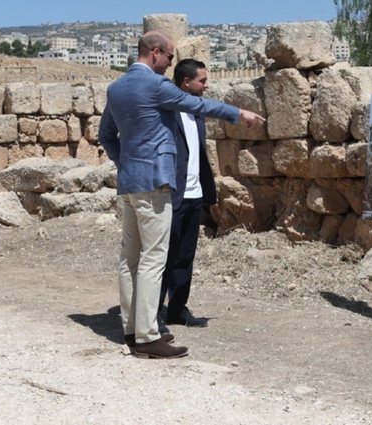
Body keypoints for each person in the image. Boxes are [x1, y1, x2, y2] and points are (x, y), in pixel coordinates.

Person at [98, 31, 264, 359]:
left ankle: (131, 329)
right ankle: (147, 337)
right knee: (153, 258)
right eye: (170, 57)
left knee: (130, 258)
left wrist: (126, 162)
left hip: (130, 182)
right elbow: (196, 103)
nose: (170, 64)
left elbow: (106, 134)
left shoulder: (116, 88)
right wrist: (238, 113)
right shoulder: (156, 85)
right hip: (156, 182)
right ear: (155, 53)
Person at [159, 59, 215, 328]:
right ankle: (153, 312)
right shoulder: (167, 111)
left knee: (185, 255)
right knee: (163, 257)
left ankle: (178, 308)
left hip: (195, 194)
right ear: (186, 83)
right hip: (172, 195)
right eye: (202, 81)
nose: (206, 85)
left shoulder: (197, 112)